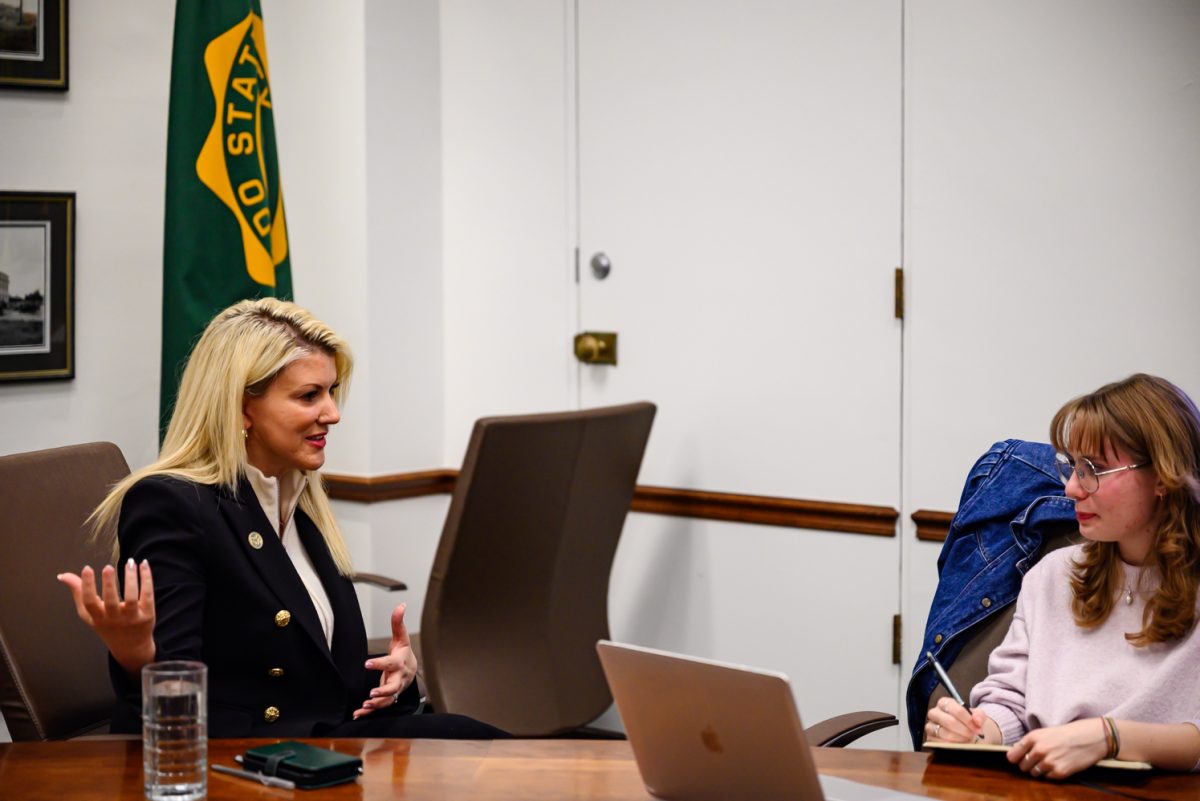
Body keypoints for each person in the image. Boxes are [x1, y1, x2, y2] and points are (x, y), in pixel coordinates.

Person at [58, 298, 503, 738]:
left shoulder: (299, 497)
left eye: (330, 392)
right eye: (309, 395)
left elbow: (315, 677)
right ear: (242, 407)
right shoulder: (172, 504)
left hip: (330, 742)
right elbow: (175, 702)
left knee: (493, 750)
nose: (332, 413)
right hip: (253, 760)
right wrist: (137, 654)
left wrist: (395, 679)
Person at [924, 374, 1200, 778]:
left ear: (1162, 476)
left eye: (1094, 469)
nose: (1071, 488)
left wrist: (1108, 737)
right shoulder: (1052, 574)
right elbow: (1010, 700)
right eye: (1072, 466)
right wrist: (980, 731)